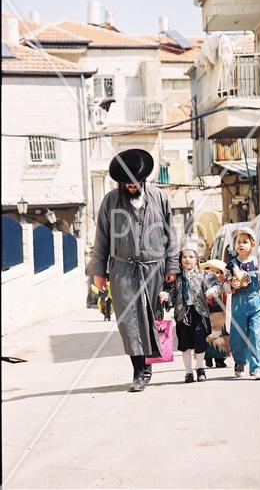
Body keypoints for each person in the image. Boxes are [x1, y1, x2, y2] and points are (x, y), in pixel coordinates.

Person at [88, 149, 179, 392]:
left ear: (143, 180)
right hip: (122, 270)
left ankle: (148, 365)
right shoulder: (109, 201)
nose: (130, 186)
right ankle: (140, 372)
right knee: (128, 322)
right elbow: (102, 238)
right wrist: (99, 272)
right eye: (125, 183)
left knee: (151, 318)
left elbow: (171, 235)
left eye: (134, 182)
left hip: (154, 269)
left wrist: (172, 266)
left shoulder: (160, 198)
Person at [159, 240, 221, 383]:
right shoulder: (177, 278)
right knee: (185, 344)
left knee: (200, 341)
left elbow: (216, 285)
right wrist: (167, 295)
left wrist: (212, 290)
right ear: (180, 260)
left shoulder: (205, 275)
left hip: (199, 313)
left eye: (191, 257)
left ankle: (200, 368)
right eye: (184, 256)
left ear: (197, 260)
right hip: (183, 313)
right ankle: (188, 372)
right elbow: (172, 293)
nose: (187, 259)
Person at [226, 227, 260, 380]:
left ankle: (258, 368)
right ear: (235, 245)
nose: (241, 245)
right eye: (238, 242)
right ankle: (239, 362)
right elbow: (224, 283)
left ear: (253, 244)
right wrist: (232, 285)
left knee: (257, 335)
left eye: (245, 242)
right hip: (238, 304)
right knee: (237, 337)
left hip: (257, 302)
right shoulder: (232, 264)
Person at [200, 259, 229, 368]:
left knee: (221, 338)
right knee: (207, 337)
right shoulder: (203, 285)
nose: (214, 274)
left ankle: (220, 359)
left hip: (220, 315)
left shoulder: (224, 286)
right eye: (211, 271)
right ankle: (207, 358)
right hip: (207, 315)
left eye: (217, 272)